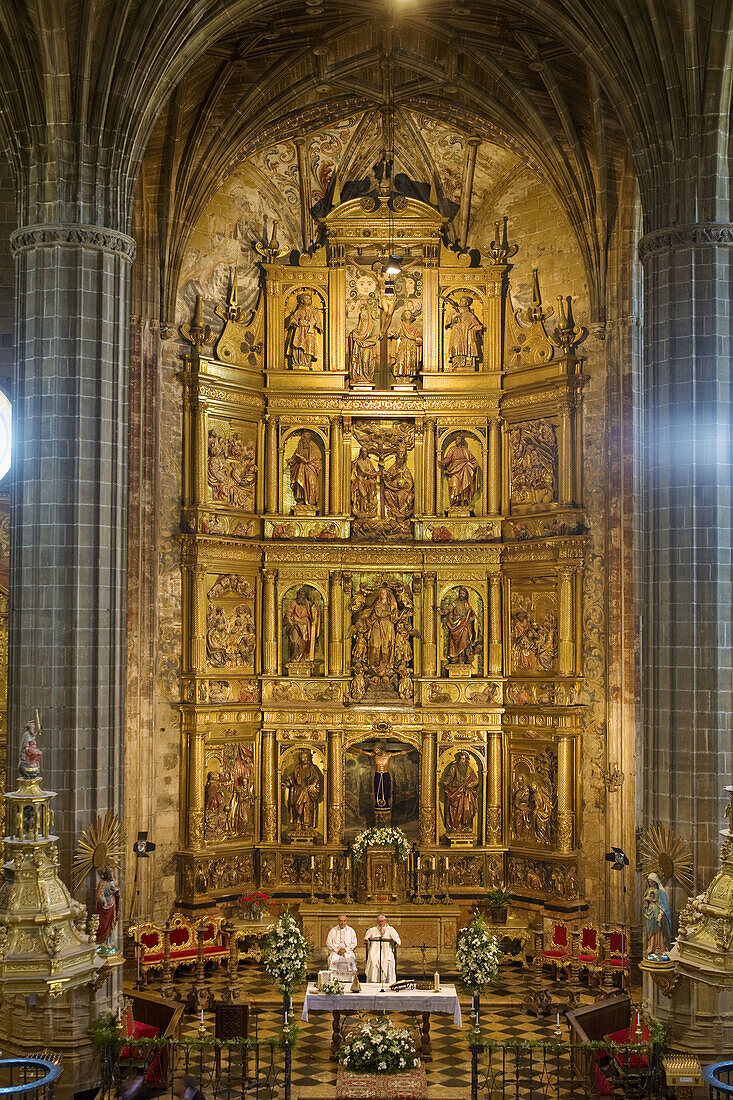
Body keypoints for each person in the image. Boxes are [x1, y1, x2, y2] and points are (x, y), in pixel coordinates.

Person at [356, 741, 411, 811]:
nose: (376, 752)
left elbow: (399, 753)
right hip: (377, 774)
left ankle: (386, 803)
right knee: (377, 789)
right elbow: (362, 752)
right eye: (375, 750)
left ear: (381, 749)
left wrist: (410, 751)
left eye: (377, 750)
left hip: (385, 774)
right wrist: (353, 748)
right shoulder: (374, 755)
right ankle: (377, 803)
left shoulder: (388, 755)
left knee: (386, 789)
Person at [439, 433, 480, 507]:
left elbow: (473, 460)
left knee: (465, 486)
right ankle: (454, 502)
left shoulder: (465, 451)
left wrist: (475, 465)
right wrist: (443, 462)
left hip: (465, 470)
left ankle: (463, 501)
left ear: (462, 441)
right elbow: (448, 458)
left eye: (458, 439)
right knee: (455, 486)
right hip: (454, 470)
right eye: (456, 439)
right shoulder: (452, 449)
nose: (456, 441)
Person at [285, 749, 321, 831]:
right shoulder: (297, 767)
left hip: (307, 791)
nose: (304, 759)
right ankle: (299, 824)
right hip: (298, 790)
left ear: (308, 758)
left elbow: (316, 778)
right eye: (302, 757)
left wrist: (313, 785)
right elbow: (292, 777)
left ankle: (306, 825)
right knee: (297, 807)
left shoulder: (311, 767)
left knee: (306, 808)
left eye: (305, 757)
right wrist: (288, 782)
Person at [444, 751, 479, 832]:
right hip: (456, 790)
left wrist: (469, 785)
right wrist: (447, 782)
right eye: (460, 759)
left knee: (467, 809)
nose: (461, 761)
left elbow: (476, 780)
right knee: (455, 809)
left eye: (463, 759)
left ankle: (465, 826)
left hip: (466, 792)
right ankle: (455, 826)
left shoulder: (469, 769)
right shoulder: (454, 767)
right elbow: (450, 776)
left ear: (466, 760)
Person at [285, 290, 321, 369]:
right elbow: (292, 319)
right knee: (298, 346)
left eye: (309, 299)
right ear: (301, 300)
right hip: (299, 332)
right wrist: (296, 322)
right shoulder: (298, 311)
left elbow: (317, 322)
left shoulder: (314, 311)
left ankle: (306, 363)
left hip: (309, 333)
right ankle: (297, 362)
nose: (308, 300)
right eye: (306, 299)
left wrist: (309, 323)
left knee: (308, 347)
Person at [284, 586, 320, 663]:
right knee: (295, 640)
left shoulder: (307, 603)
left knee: (306, 641)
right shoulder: (294, 603)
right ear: (298, 595)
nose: (302, 597)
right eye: (300, 595)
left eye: (303, 595)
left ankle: (303, 657)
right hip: (296, 624)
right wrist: (290, 621)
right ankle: (295, 657)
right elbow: (288, 613)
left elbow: (314, 612)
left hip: (306, 625)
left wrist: (316, 608)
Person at [446, 294, 482, 370]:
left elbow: (476, 325)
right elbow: (448, 323)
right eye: (461, 301)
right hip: (457, 333)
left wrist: (476, 328)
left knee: (469, 347)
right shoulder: (455, 312)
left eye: (464, 301)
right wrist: (455, 316)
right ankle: (456, 363)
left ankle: (468, 363)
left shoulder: (470, 315)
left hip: (466, 335)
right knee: (456, 347)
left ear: (467, 303)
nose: (461, 302)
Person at [443, 586, 477, 666]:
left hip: (465, 624)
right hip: (456, 624)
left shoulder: (467, 604)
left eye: (463, 593)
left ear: (466, 595)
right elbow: (450, 608)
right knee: (455, 641)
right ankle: (455, 656)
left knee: (465, 640)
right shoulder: (456, 602)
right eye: (460, 593)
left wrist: (472, 617)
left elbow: (472, 613)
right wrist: (444, 611)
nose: (461, 595)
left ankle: (463, 656)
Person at [364, 914, 401, 984]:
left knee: (387, 961)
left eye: (382, 921)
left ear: (385, 921)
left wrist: (390, 939)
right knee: (372, 959)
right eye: (379, 921)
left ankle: (388, 982)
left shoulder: (391, 930)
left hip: (386, 950)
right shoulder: (372, 930)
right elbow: (366, 939)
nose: (380, 923)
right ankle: (373, 982)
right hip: (375, 950)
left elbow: (398, 941)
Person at [288, 430, 321, 508]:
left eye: (306, 438)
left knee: (311, 484)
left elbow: (310, 461)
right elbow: (294, 459)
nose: (304, 440)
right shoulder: (298, 450)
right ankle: (301, 500)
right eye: (303, 438)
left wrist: (300, 457)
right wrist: (291, 460)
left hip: (310, 470)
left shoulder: (312, 450)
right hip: (300, 470)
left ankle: (310, 501)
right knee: (299, 484)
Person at [389, 306, 422, 381]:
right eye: (406, 314)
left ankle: (409, 376)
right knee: (401, 359)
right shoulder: (401, 326)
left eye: (409, 314)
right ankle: (400, 375)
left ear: (411, 316)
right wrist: (393, 334)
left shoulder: (413, 328)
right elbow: (397, 334)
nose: (407, 315)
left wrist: (417, 339)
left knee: (410, 361)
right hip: (404, 345)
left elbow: (418, 336)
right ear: (403, 316)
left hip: (411, 346)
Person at [643, 872, 672, 957]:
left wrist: (661, 913)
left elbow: (665, 905)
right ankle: (652, 947)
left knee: (659, 930)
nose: (650, 883)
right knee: (651, 930)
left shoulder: (661, 892)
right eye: (649, 882)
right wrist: (646, 899)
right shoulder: (649, 890)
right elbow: (644, 902)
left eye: (652, 881)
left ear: (656, 881)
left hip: (657, 912)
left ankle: (660, 947)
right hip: (650, 913)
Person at [348, 306, 379, 385]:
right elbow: (354, 335)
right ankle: (360, 377)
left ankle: (367, 377)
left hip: (368, 347)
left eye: (365, 315)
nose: (364, 317)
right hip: (359, 348)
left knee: (365, 361)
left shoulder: (372, 328)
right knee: (359, 361)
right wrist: (354, 335)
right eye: (362, 315)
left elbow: (374, 339)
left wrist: (362, 341)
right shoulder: (358, 328)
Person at [95, 867, 120, 952]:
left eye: (112, 875)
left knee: (111, 924)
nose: (111, 876)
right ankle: (102, 941)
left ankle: (109, 942)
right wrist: (104, 901)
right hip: (104, 906)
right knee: (103, 924)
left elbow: (116, 892)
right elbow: (99, 895)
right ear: (107, 875)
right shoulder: (102, 883)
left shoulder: (113, 882)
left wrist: (117, 892)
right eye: (110, 875)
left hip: (112, 904)